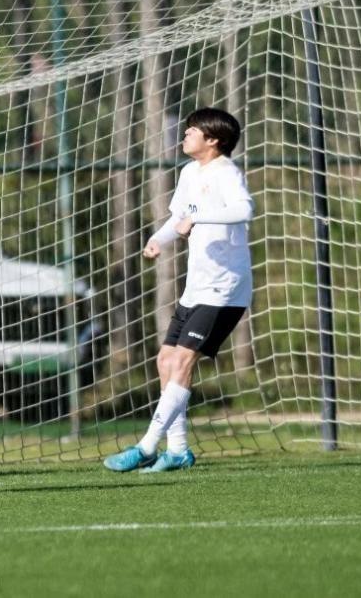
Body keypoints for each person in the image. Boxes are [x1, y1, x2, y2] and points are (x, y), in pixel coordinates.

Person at [104, 108, 253, 473]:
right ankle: (178, 450)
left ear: (213, 139)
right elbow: (179, 218)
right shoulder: (189, 172)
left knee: (184, 360)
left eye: (192, 130)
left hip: (224, 288)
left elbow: (244, 210)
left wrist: (197, 217)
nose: (185, 135)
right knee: (166, 361)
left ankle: (145, 446)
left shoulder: (226, 172)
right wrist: (158, 238)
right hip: (196, 286)